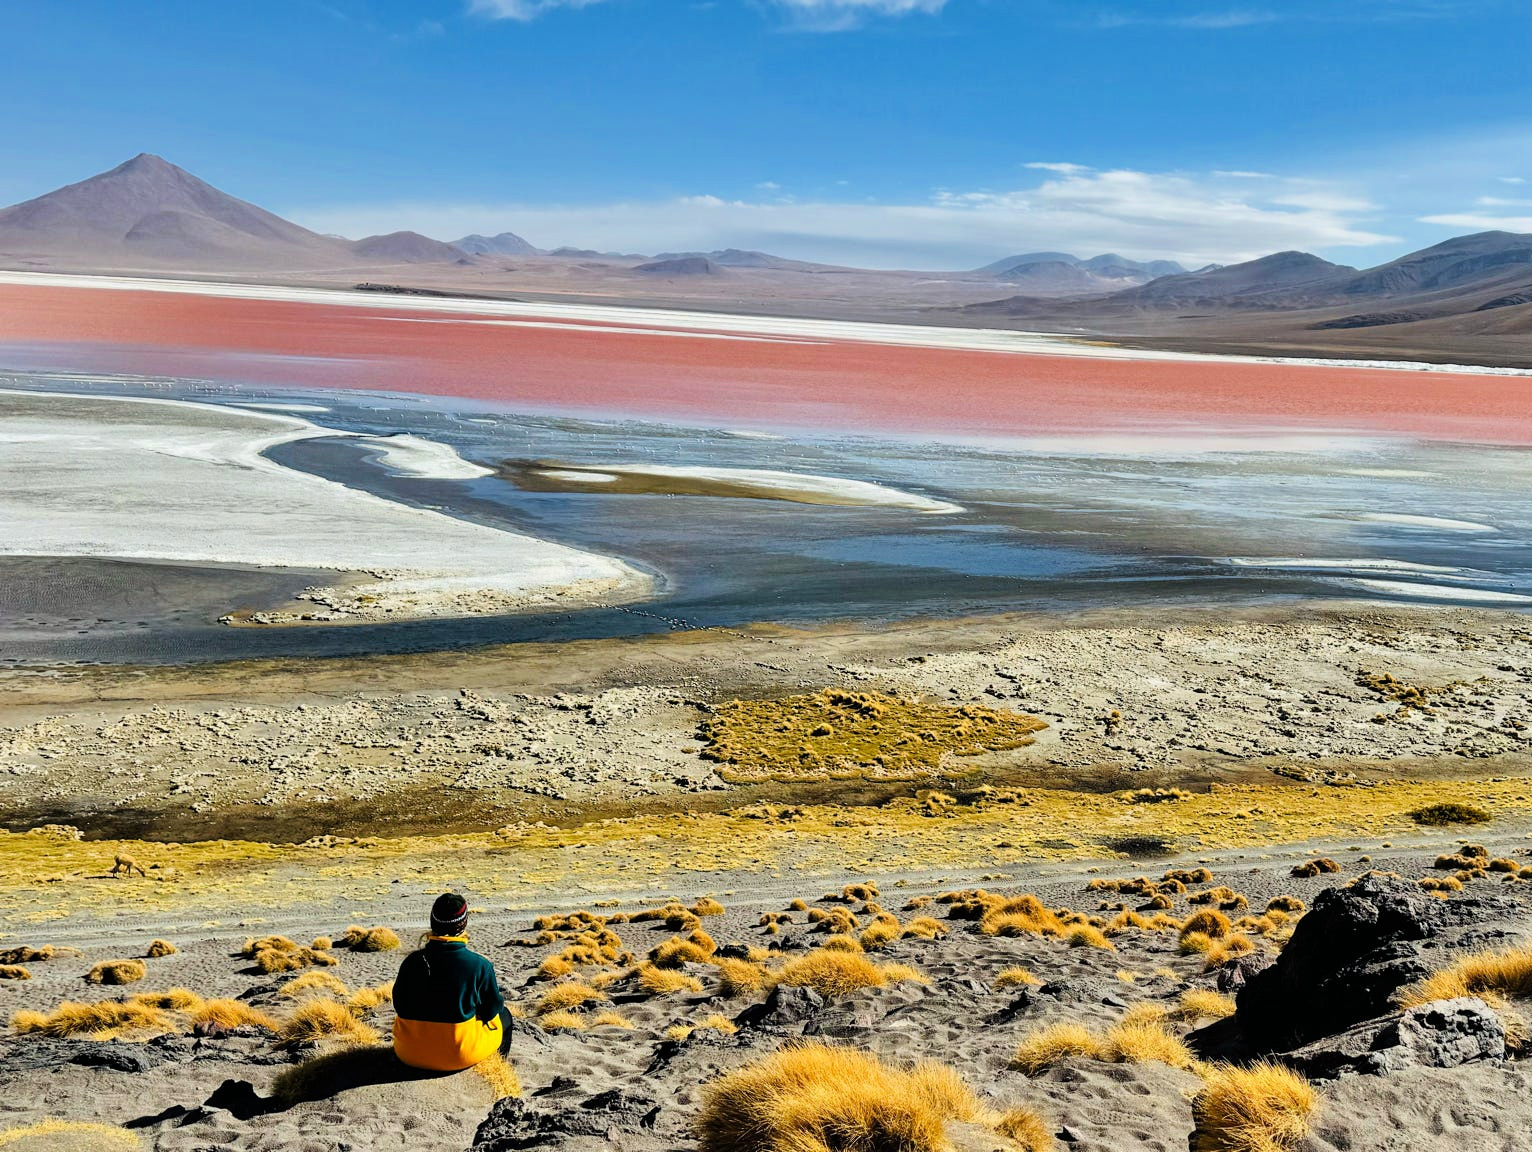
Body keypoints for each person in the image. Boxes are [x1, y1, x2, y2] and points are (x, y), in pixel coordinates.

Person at [392, 893, 511, 1071]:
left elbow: (399, 1005)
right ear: (463, 924)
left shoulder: (411, 962)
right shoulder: (479, 965)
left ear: (433, 921)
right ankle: (498, 1070)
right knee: (505, 1016)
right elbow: (492, 1008)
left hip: (408, 1053)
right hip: (457, 1056)